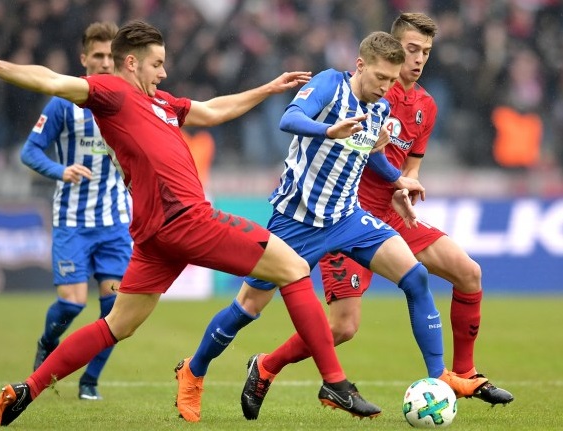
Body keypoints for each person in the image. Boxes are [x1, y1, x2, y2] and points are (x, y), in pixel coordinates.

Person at [0, 20, 368, 427]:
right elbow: (53, 81)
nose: (164, 72)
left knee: (117, 324)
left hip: (155, 235)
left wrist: (268, 88)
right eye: (157, 64)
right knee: (293, 267)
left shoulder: (162, 103)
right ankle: (334, 381)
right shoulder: (112, 92)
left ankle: (27, 389)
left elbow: (211, 110)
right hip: (187, 218)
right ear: (131, 63)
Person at [177, 30, 484, 422]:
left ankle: (437, 376)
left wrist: (398, 180)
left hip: (347, 218)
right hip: (296, 222)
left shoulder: (379, 108)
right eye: (380, 78)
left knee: (415, 276)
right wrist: (328, 130)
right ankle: (194, 371)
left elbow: (369, 154)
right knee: (247, 308)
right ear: (360, 65)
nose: (386, 87)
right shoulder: (329, 85)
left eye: (392, 80)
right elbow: (289, 118)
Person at [239, 13, 514, 420]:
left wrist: (406, 186)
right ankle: (266, 366)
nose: (418, 60)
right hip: (347, 214)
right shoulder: (368, 93)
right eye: (411, 50)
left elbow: (411, 166)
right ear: (391, 48)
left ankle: (463, 373)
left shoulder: (426, 105)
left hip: (393, 214)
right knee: (343, 328)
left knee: (468, 272)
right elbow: (351, 151)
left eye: (426, 52)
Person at [19, 22, 132, 401]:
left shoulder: (128, 101)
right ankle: (47, 342)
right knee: (71, 303)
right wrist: (60, 170)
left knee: (116, 310)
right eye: (98, 55)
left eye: (110, 56)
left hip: (115, 223)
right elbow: (30, 151)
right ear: (84, 59)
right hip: (73, 221)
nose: (105, 63)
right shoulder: (64, 103)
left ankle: (90, 381)